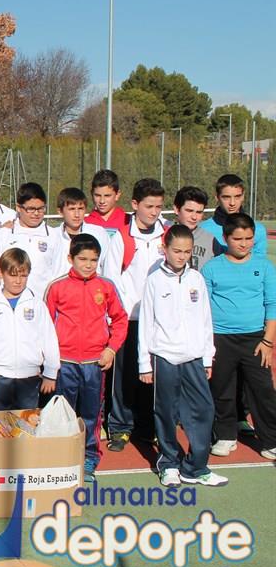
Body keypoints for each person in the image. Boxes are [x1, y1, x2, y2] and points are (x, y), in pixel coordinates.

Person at [138, 225, 227, 486]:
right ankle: (168, 463)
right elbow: (146, 322)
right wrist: (145, 363)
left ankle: (196, 468)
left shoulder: (196, 279)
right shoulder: (154, 280)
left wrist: (207, 357)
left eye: (187, 252)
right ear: (164, 249)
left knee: (204, 409)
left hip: (194, 358)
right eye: (176, 251)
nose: (182, 256)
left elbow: (205, 321)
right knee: (166, 411)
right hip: (164, 357)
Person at [45, 234, 128, 483]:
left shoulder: (106, 286)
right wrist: (51, 360)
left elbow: (121, 320)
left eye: (94, 259)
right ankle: (60, 458)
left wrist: (111, 349)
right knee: (62, 414)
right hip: (64, 363)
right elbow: (44, 326)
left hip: (94, 363)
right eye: (82, 259)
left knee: (91, 414)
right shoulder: (57, 287)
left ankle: (89, 457)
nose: (88, 264)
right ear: (70, 258)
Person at [202, 213, 276, 460]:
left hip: (256, 339)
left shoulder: (264, 266)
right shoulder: (211, 268)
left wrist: (268, 341)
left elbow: (272, 304)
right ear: (225, 238)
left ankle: (270, 440)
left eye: (249, 238)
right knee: (222, 389)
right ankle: (225, 436)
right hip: (220, 338)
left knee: (262, 390)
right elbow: (203, 307)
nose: (244, 244)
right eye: (237, 239)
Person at [104, 177, 168, 451]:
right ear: (135, 205)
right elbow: (110, 279)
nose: (155, 212)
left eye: (159, 206)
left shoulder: (167, 233)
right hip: (128, 320)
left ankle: (146, 426)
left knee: (151, 376)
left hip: (158, 322)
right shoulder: (121, 237)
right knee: (124, 376)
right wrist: (118, 316)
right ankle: (120, 426)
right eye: (150, 205)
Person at [0, 248, 59, 411]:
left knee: (27, 425)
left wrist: (50, 372)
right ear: (1, 273)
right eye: (13, 275)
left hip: (29, 378)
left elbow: (49, 339)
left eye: (23, 275)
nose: (18, 281)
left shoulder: (37, 304)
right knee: (0, 427)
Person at [0, 182, 59, 299]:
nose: (36, 213)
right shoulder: (4, 233)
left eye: (41, 208)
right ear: (18, 207)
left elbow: (58, 274)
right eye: (31, 209)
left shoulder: (54, 236)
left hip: (41, 304)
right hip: (7, 304)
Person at [201, 174, 268, 259]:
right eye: (226, 197)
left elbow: (259, 266)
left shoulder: (258, 229)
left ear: (243, 196)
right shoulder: (203, 229)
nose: (232, 203)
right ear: (217, 197)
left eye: (237, 196)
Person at [49, 187, 111, 279]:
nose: (77, 214)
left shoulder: (99, 234)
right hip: (61, 291)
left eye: (81, 208)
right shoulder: (51, 236)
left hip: (90, 290)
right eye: (72, 209)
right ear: (60, 211)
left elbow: (107, 267)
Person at [172, 186, 223, 271]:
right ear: (177, 209)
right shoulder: (165, 235)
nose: (194, 217)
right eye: (189, 211)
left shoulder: (211, 240)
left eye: (199, 212)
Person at [85, 169, 127, 237]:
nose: (102, 201)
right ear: (91, 194)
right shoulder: (85, 224)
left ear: (117, 195)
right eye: (97, 195)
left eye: (107, 196)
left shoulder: (128, 221)